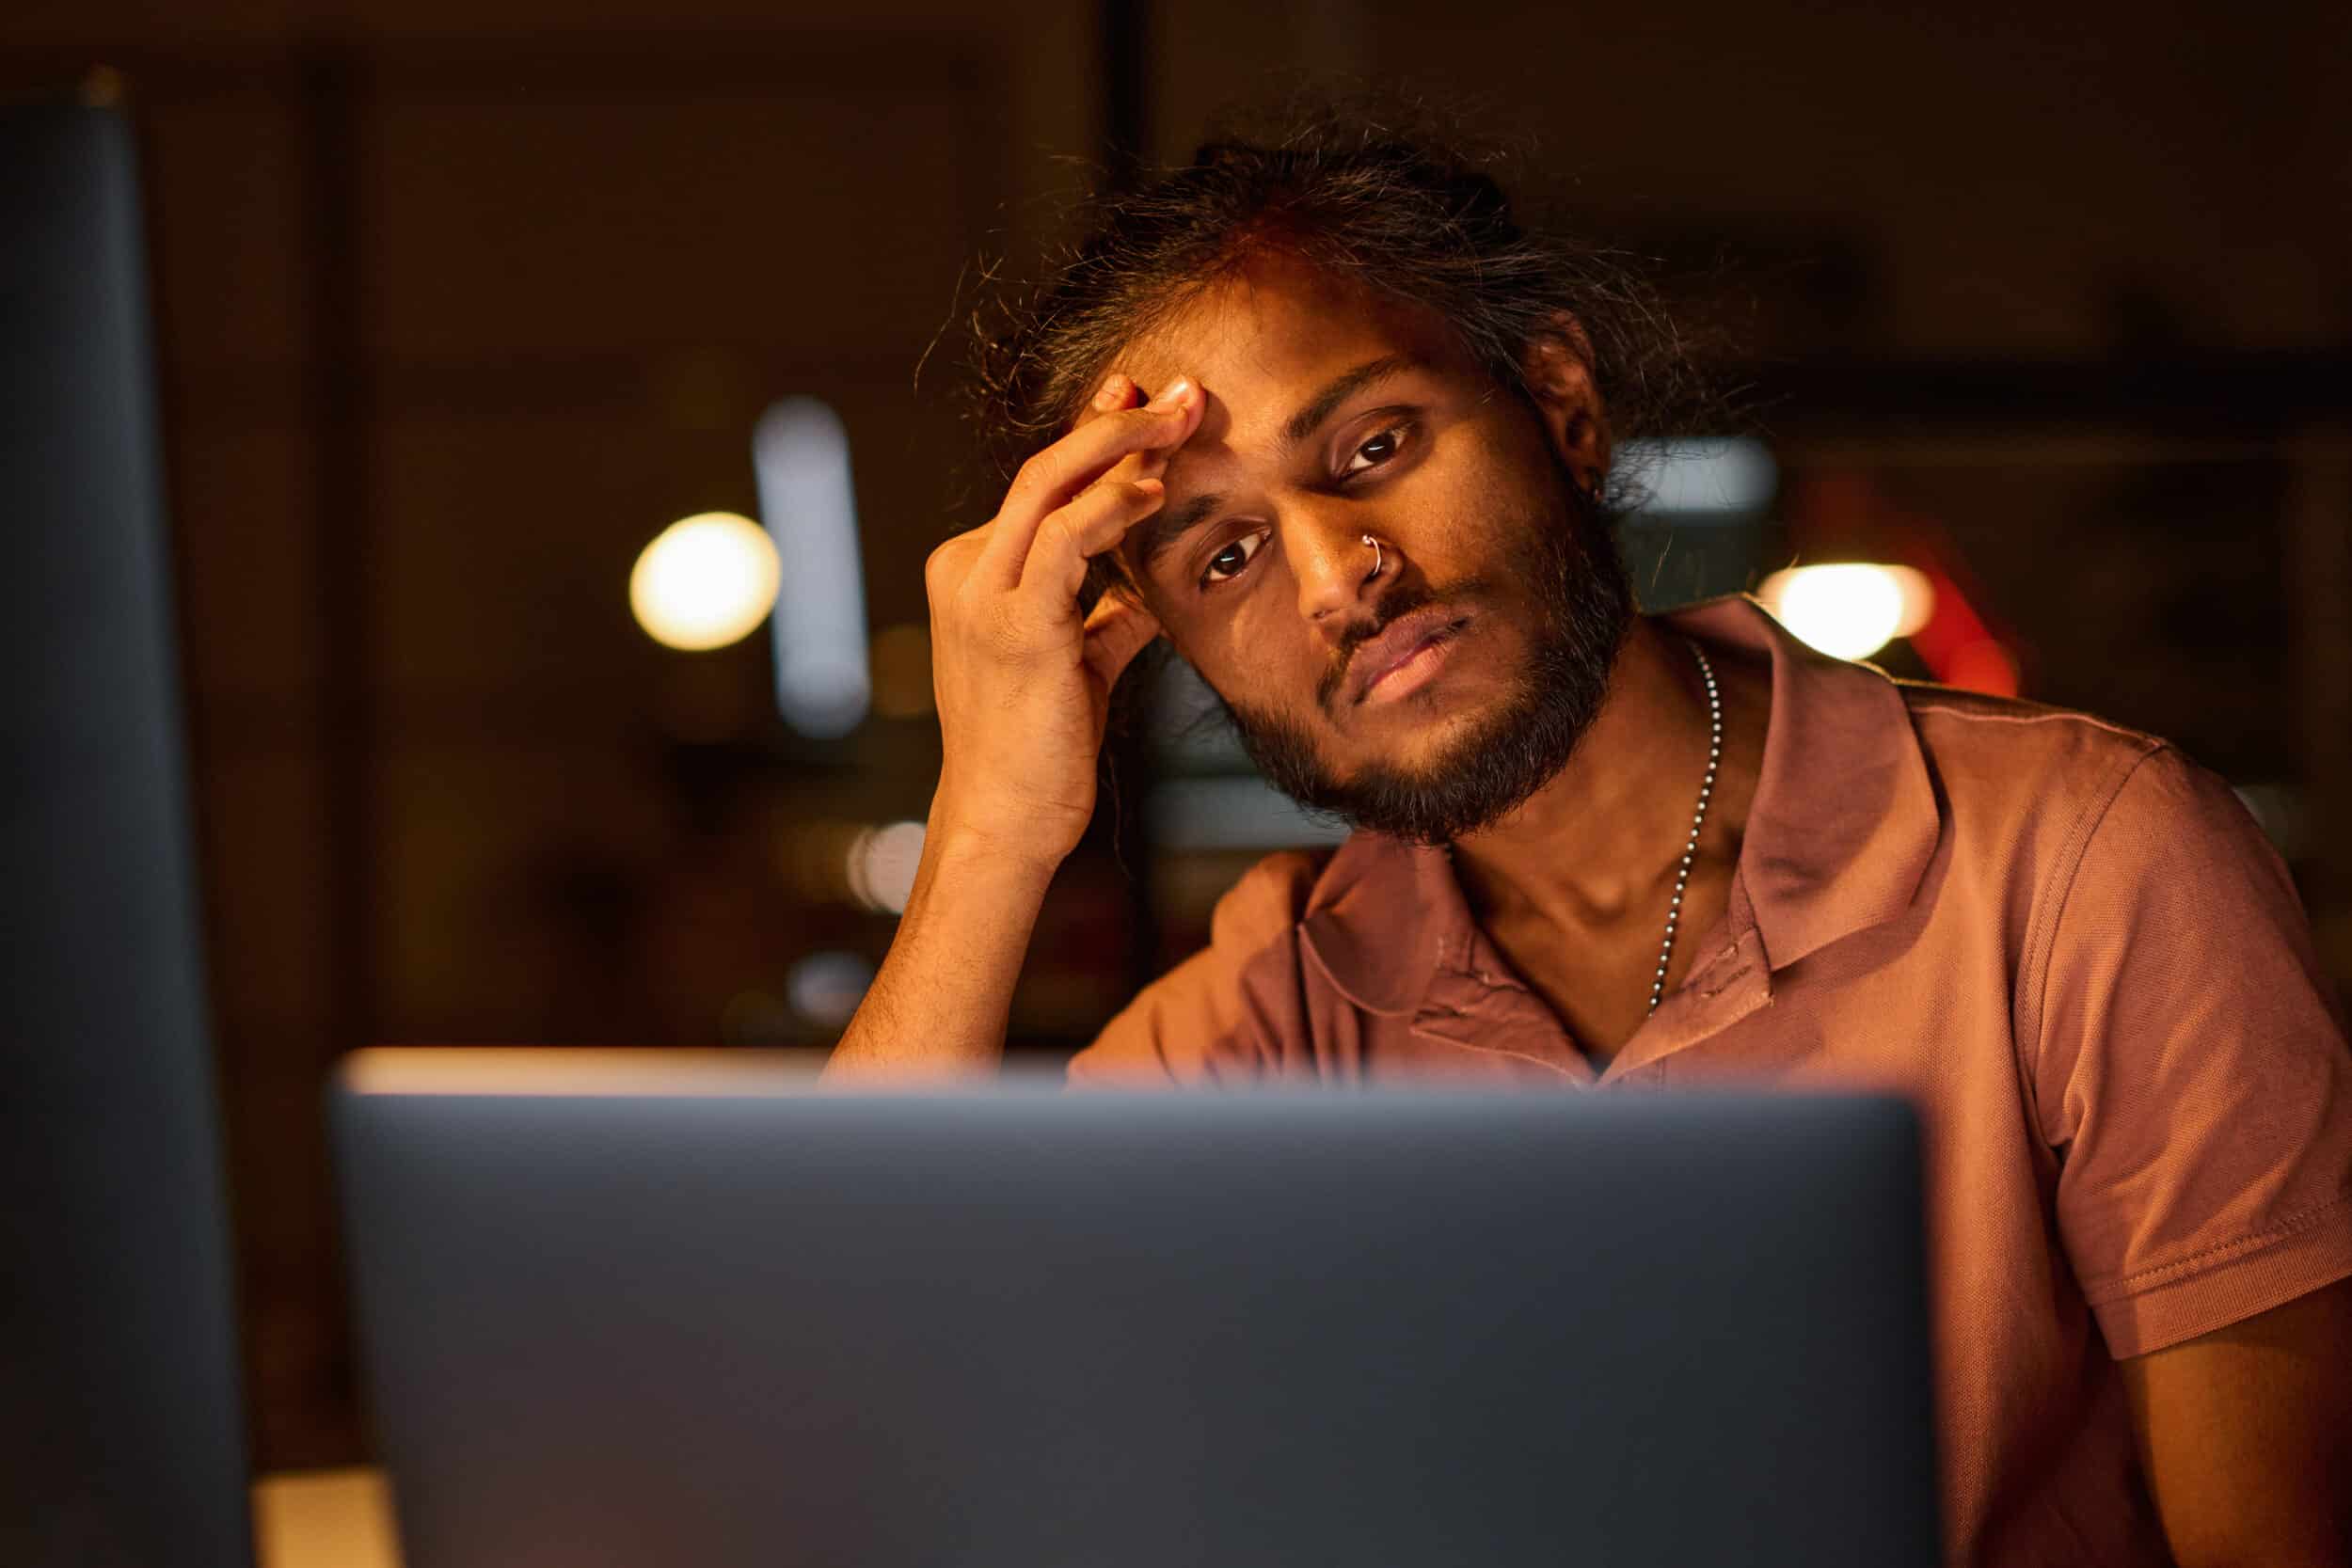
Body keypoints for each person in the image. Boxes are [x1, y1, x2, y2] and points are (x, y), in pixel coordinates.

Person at [823, 99, 2352, 1567]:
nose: (1338, 577)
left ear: (1558, 404)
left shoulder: (2085, 863)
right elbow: (832, 1395)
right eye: (1223, 556)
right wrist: (993, 831)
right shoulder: (1265, 1025)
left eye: (1370, 451)